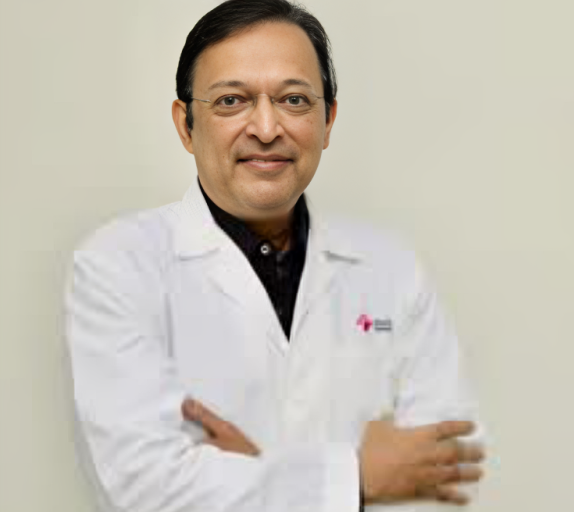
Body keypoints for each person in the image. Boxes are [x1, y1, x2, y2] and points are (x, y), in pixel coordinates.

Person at [64, 1, 486, 511]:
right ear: (186, 125)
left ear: (328, 120)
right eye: (231, 101)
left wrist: (255, 473)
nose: (266, 129)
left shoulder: (391, 268)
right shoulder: (118, 266)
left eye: (294, 100)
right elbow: (148, 486)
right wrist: (358, 476)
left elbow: (452, 473)